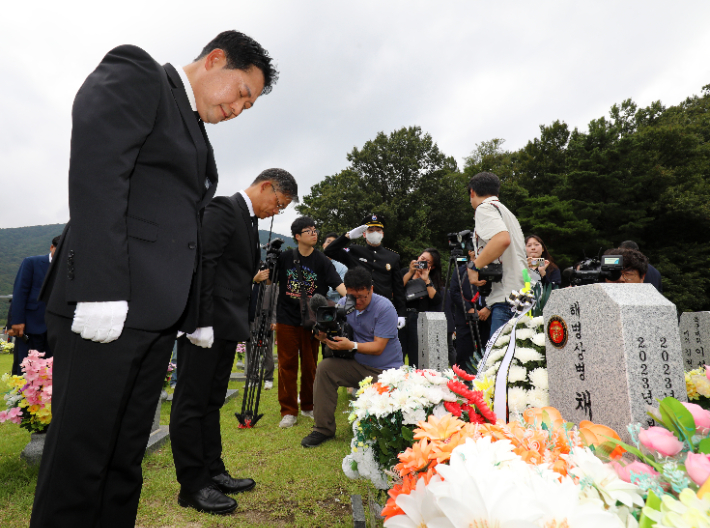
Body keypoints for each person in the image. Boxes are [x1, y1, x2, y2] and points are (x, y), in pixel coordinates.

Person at [31, 31, 278, 528]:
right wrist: (100, 290)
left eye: (248, 106)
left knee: (125, 455)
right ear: (215, 60)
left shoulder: (195, 130)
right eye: (241, 94)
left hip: (154, 317)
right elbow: (99, 170)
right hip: (106, 307)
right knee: (81, 455)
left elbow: (185, 237)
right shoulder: (140, 74)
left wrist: (195, 314)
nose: (238, 109)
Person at [170, 169, 297, 515]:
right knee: (191, 404)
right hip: (207, 324)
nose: (276, 211)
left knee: (211, 402)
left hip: (227, 324)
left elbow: (233, 271)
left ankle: (213, 471)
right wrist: (199, 321)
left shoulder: (248, 220)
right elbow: (203, 265)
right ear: (266, 186)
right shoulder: (224, 209)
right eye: (279, 203)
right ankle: (192, 485)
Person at [302, 267, 404, 447]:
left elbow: (378, 347)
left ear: (371, 289)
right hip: (358, 365)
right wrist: (324, 336)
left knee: (386, 427)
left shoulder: (385, 308)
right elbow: (336, 331)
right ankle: (322, 429)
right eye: (352, 296)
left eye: (362, 296)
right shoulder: (344, 304)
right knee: (325, 368)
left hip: (386, 371)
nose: (357, 301)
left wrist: (351, 345)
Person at [273, 217, 346, 428]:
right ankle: (288, 411)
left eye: (315, 230)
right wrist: (259, 275)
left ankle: (308, 405)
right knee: (286, 365)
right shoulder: (285, 258)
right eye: (309, 231)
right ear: (297, 236)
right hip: (286, 318)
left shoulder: (321, 260)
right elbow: (270, 279)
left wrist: (356, 301)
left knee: (310, 365)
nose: (314, 233)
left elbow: (338, 284)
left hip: (312, 320)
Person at [466, 172, 527, 335]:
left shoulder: (484, 208)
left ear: (472, 192)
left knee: (501, 351)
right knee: (521, 348)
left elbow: (502, 239)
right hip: (522, 294)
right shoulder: (506, 212)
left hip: (506, 298)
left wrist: (474, 266)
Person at [323, 214, 406, 327]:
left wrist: (401, 313)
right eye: (370, 230)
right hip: (357, 307)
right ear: (364, 234)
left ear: (383, 233)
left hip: (382, 307)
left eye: (378, 230)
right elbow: (329, 251)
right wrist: (347, 236)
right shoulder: (354, 251)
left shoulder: (393, 257)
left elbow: (398, 288)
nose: (375, 232)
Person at [7, 235, 59, 375]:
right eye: (59, 249)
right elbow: (20, 293)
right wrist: (16, 321)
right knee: (27, 367)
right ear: (52, 247)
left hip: (57, 328)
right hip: (31, 325)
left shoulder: (70, 267)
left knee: (51, 370)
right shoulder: (32, 263)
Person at [399, 248, 444, 367]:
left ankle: (416, 376)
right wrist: (410, 272)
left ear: (432, 267)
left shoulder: (431, 279)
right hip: (401, 317)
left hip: (418, 319)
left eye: (427, 261)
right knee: (398, 354)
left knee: (416, 356)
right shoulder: (405, 272)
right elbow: (396, 290)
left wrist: (426, 280)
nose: (422, 262)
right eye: (422, 258)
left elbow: (436, 300)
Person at [447, 252, 491, 372]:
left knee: (489, 354)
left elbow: (502, 290)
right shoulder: (460, 270)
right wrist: (469, 308)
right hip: (465, 318)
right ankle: (463, 380)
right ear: (470, 252)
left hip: (489, 316)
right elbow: (454, 291)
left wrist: (489, 307)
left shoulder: (494, 268)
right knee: (464, 355)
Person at [322, 232, 348, 302]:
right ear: (323, 245)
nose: (330, 245)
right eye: (328, 242)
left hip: (333, 304)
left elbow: (340, 289)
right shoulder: (315, 262)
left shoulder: (343, 268)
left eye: (333, 243)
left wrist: (321, 291)